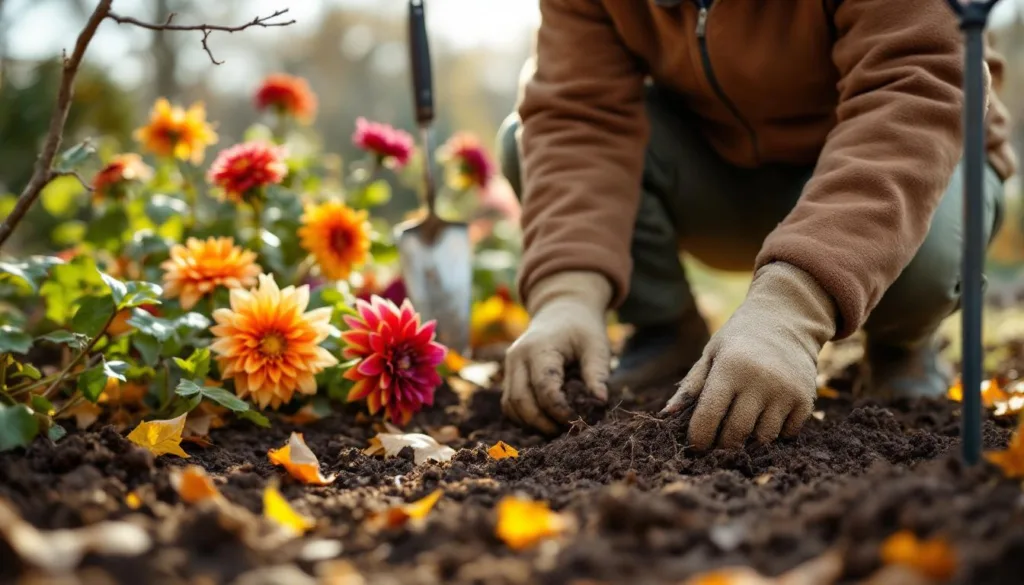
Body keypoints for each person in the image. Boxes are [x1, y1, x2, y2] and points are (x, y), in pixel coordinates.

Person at [494, 0, 1017, 450]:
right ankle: (665, 331)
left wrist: (792, 307)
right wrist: (568, 295)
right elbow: (578, 116)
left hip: (908, 158)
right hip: (722, 173)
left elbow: (913, 90)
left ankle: (901, 346)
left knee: (922, 261)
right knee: (523, 141)